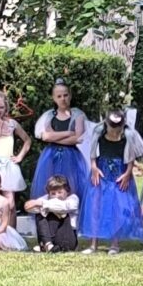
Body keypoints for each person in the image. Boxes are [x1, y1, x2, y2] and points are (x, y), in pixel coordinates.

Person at [85, 110, 143, 253]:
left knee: (116, 207)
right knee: (96, 204)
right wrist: (94, 167)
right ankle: (93, 244)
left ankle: (114, 244)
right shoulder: (99, 132)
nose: (114, 132)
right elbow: (93, 151)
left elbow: (130, 156)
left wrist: (127, 173)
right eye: (111, 128)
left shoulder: (128, 135)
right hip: (101, 170)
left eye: (117, 128)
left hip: (120, 172)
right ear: (106, 124)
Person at [30, 80, 93, 216]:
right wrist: (68, 133)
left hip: (71, 156)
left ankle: (72, 216)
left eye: (65, 95)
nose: (63, 99)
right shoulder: (49, 115)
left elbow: (78, 138)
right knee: (51, 183)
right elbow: (45, 136)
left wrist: (55, 137)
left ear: (70, 95)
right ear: (54, 98)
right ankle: (50, 214)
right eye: (59, 96)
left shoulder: (78, 115)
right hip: (50, 155)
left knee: (71, 184)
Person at [0, 91, 28, 193]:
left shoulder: (12, 124)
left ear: (6, 107)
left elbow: (27, 140)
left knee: (9, 197)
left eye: (1, 107)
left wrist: (20, 156)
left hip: (8, 165)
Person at [25, 175, 80, 253]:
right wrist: (36, 204)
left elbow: (64, 206)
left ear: (67, 191)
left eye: (60, 192)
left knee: (60, 212)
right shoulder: (46, 198)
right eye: (53, 193)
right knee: (40, 213)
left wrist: (42, 204)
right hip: (50, 239)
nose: (56, 196)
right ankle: (48, 245)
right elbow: (29, 207)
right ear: (48, 193)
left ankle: (45, 246)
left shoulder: (73, 198)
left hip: (67, 238)